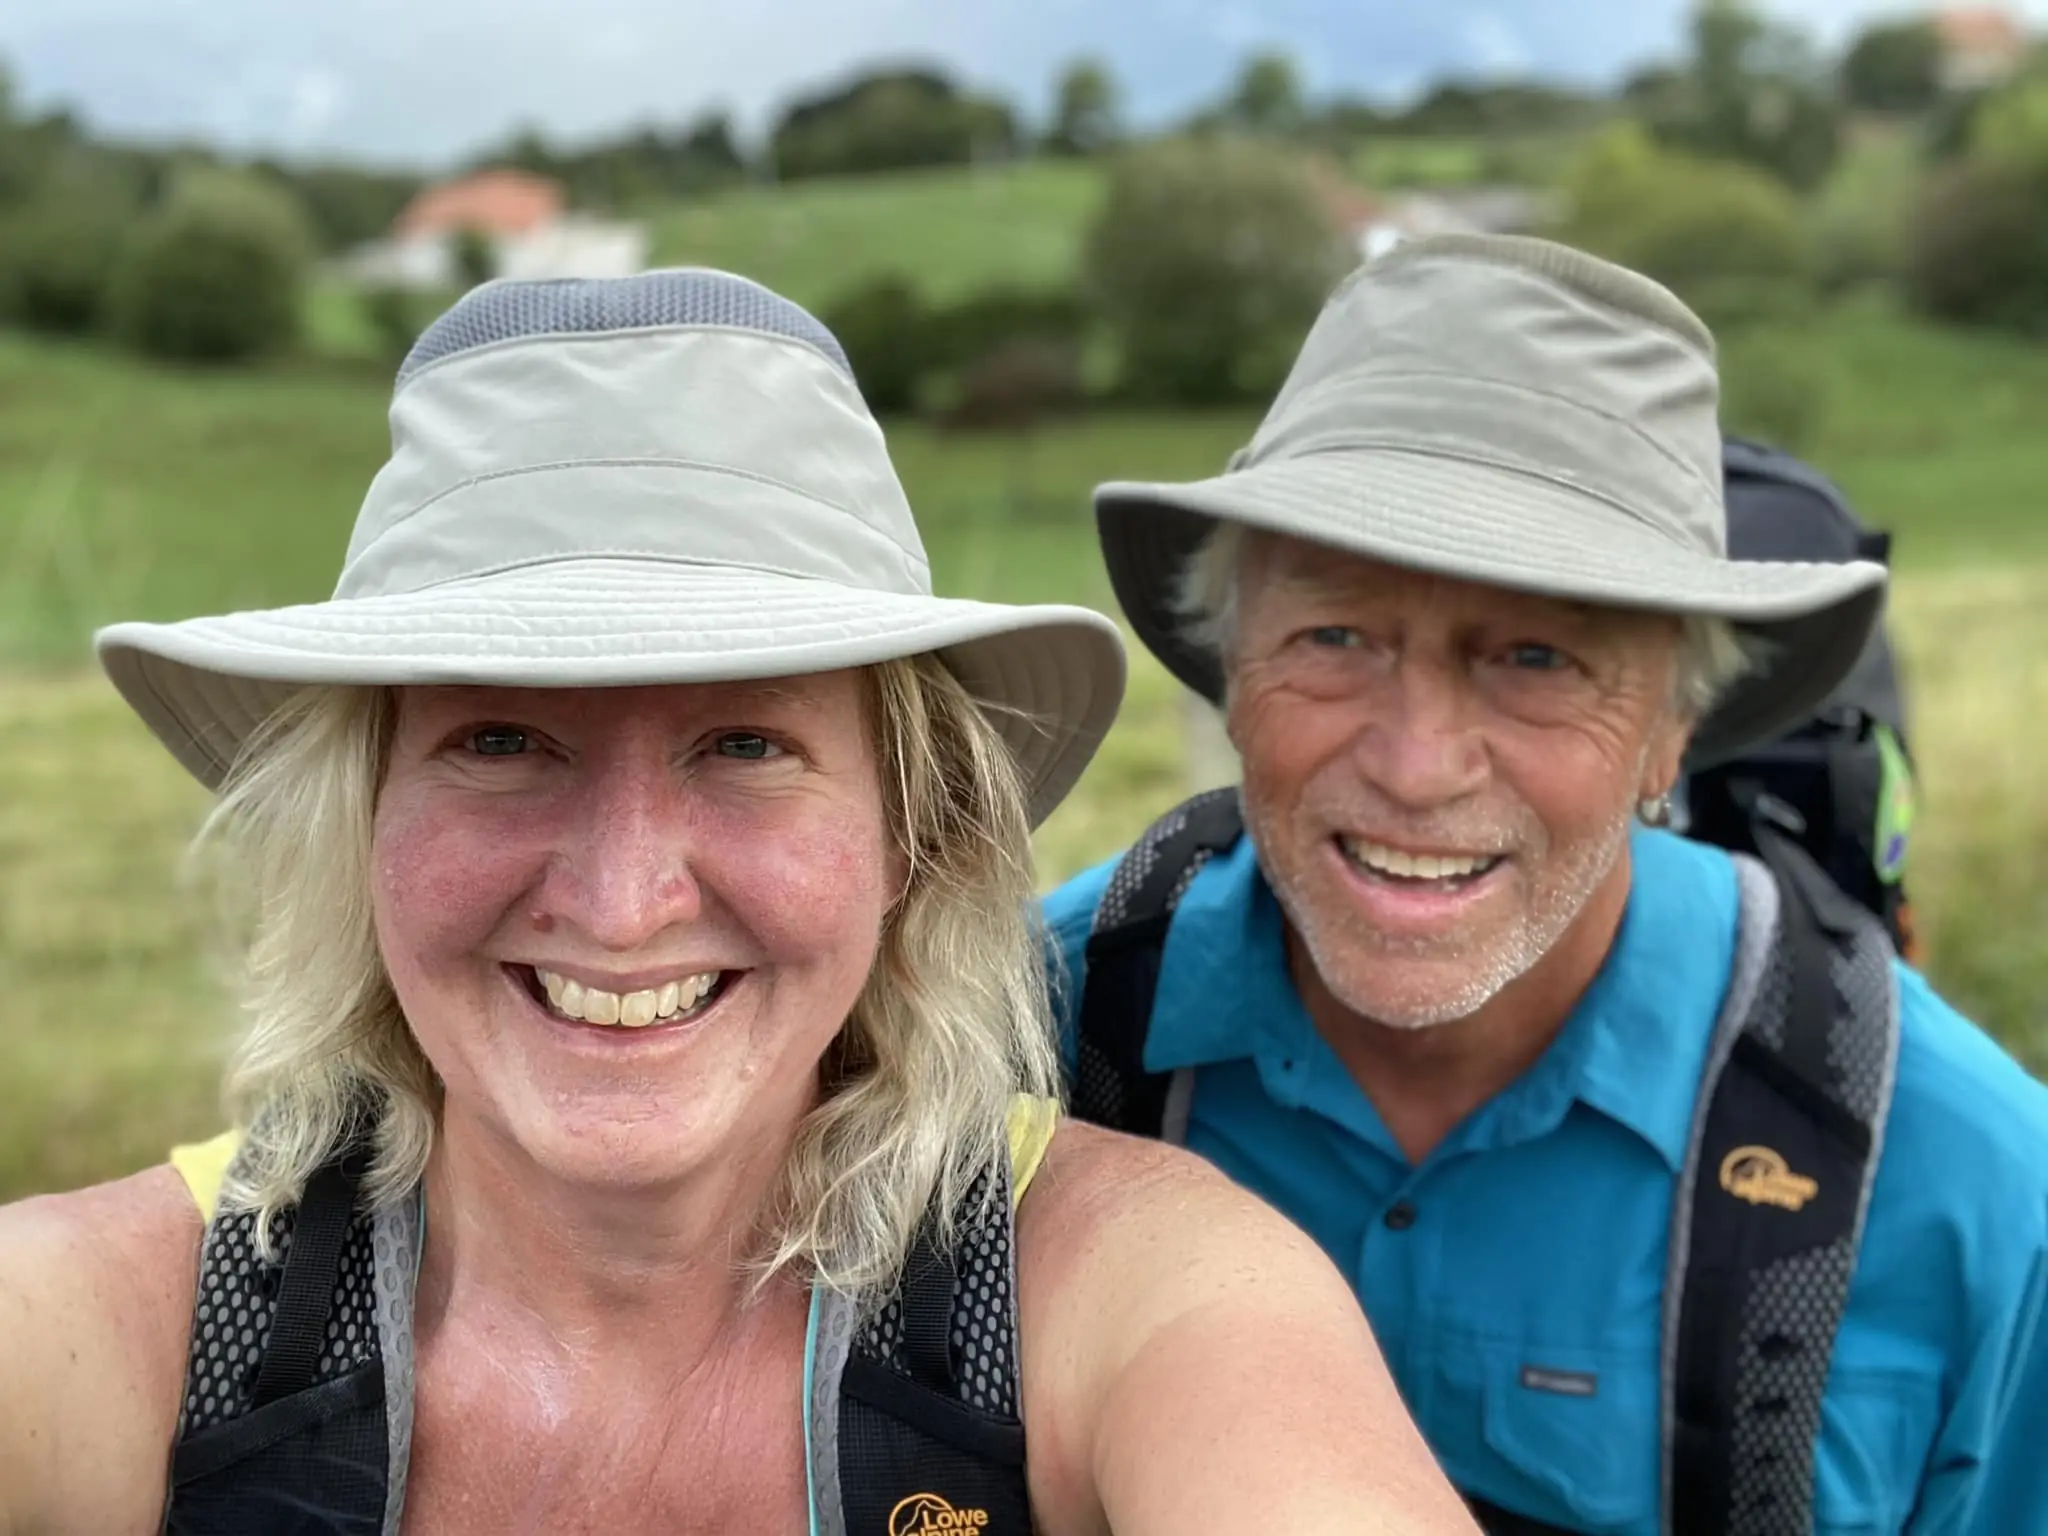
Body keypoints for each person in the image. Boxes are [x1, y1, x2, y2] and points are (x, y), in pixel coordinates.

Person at [0, 270, 1480, 1535]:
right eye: (502, 742)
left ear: (914, 835)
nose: (625, 897)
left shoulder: (1140, 1300)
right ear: (365, 826)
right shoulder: (102, 1331)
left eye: (748, 746)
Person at [1045, 234, 2048, 1535]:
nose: (1417, 767)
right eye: (1335, 636)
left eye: (1535, 658)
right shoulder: (1008, 1036)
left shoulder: (1969, 1193)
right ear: (1232, 674)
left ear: (1671, 735)